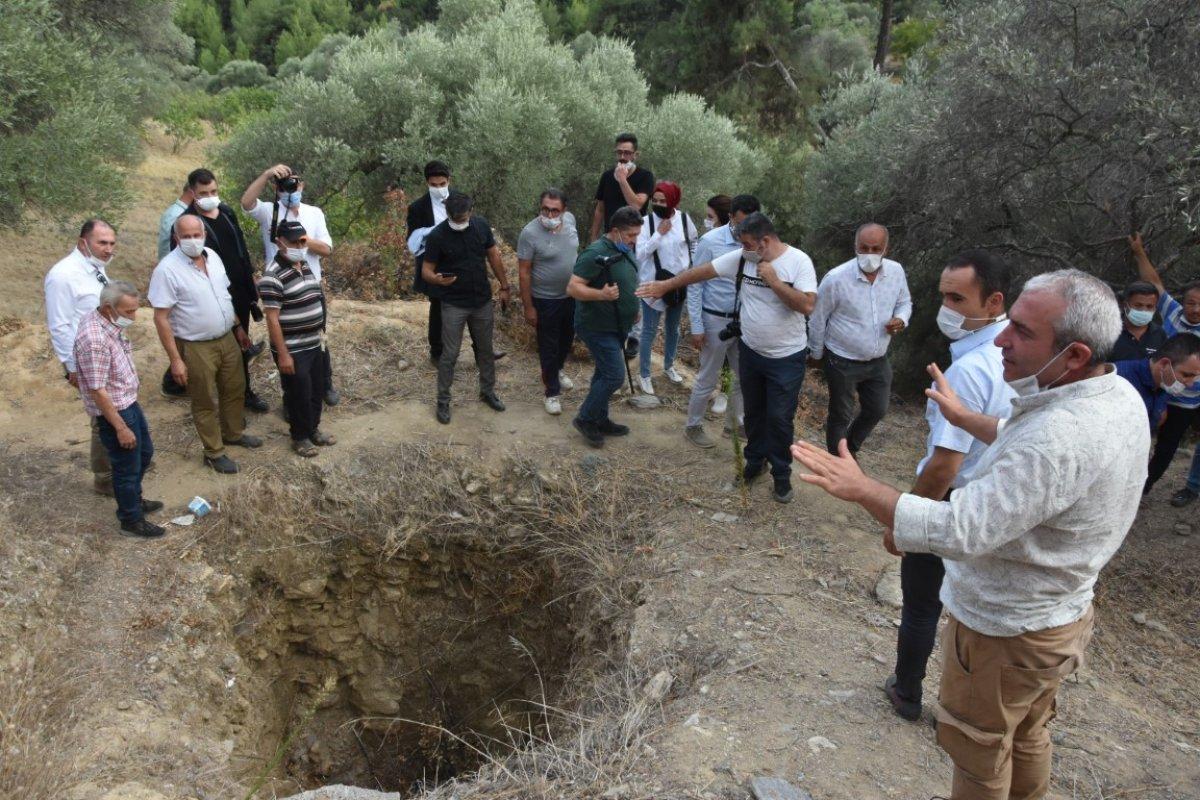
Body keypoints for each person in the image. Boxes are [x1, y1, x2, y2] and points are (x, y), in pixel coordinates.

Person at [791, 269, 1148, 800]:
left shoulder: (1059, 436)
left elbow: (962, 527)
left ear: (1073, 354)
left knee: (978, 753)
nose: (1002, 338)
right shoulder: (1111, 394)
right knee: (1026, 735)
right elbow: (1031, 450)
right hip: (1057, 619)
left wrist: (862, 489)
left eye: (1024, 332)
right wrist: (970, 418)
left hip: (1006, 634)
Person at [883, 249, 1015, 723]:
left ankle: (907, 691)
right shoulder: (1018, 355)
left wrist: (907, 519)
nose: (946, 307)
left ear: (994, 300)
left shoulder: (970, 370)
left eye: (957, 297)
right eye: (942, 296)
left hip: (955, 498)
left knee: (921, 604)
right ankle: (976, 709)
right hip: (999, 500)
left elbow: (944, 466)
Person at [637, 212, 818, 503]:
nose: (742, 249)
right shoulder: (744, 259)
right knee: (755, 413)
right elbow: (702, 271)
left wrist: (774, 281)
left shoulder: (798, 262)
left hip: (786, 358)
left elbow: (807, 305)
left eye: (747, 243)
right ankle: (755, 462)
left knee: (780, 418)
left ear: (765, 241)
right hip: (751, 351)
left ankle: (782, 475)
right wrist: (665, 286)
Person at [149, 215, 262, 474]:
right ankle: (213, 452)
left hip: (226, 338)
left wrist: (237, 327)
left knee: (235, 387)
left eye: (196, 235)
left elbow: (223, 295)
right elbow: (161, 317)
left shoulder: (213, 256)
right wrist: (176, 359)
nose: (192, 240)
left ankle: (233, 433)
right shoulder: (167, 270)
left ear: (204, 234)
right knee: (204, 400)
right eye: (185, 236)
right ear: (176, 238)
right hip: (195, 346)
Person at [166, 168, 268, 412]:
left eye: (213, 190)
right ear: (192, 193)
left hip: (240, 291)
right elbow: (183, 265)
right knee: (222, 350)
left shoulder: (226, 212)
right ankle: (221, 397)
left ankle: (244, 393)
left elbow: (239, 247)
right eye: (203, 192)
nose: (210, 196)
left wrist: (250, 277)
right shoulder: (186, 226)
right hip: (211, 298)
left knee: (241, 345)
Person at [240, 164, 341, 407]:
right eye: (284, 185)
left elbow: (327, 249)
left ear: (302, 185)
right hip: (280, 289)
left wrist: (304, 241)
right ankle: (292, 398)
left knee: (319, 337)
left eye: (294, 183)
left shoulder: (314, 213)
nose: (290, 189)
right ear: (276, 188)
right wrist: (266, 174)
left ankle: (324, 385)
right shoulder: (269, 211)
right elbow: (246, 203)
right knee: (283, 342)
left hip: (311, 285)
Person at [808, 223, 912, 456]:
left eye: (876, 249)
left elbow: (905, 302)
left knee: (877, 409)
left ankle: (850, 448)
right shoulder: (836, 278)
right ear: (855, 246)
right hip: (842, 360)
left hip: (878, 359)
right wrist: (815, 354)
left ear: (886, 249)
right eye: (864, 248)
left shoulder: (896, 272)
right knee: (841, 414)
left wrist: (901, 318)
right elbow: (817, 317)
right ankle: (839, 461)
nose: (869, 254)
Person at [73, 281, 165, 538]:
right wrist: (121, 427)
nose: (134, 317)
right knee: (127, 467)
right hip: (116, 411)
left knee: (144, 453)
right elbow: (97, 389)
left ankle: (134, 501)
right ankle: (130, 520)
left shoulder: (106, 322)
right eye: (129, 312)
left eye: (135, 310)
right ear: (107, 307)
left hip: (127, 401)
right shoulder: (94, 339)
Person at [421, 192, 510, 424]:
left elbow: (493, 256)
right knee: (449, 355)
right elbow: (426, 271)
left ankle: (487, 391)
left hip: (481, 300)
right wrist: (438, 280)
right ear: (448, 213)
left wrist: (504, 285)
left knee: (485, 349)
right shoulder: (438, 236)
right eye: (456, 218)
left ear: (471, 211)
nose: (460, 222)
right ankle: (443, 401)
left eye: (463, 218)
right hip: (453, 304)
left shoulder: (480, 226)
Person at [44, 219, 118, 496]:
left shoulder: (96, 270)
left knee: (116, 411)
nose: (108, 249)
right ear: (83, 242)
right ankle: (105, 478)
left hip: (108, 353)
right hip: (88, 362)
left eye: (111, 243)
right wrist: (72, 368)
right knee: (103, 418)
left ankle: (119, 468)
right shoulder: (63, 275)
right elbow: (60, 325)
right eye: (102, 243)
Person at [1128, 232, 1200, 505]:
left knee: (1167, 448)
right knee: (1140, 438)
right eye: (1191, 302)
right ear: (1183, 301)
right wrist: (1139, 252)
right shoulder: (1173, 313)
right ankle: (1125, 484)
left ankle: (1143, 489)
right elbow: (1154, 282)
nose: (1195, 309)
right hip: (1159, 391)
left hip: (1187, 403)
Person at [682, 194, 758, 448]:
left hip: (745, 322)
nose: (742, 230)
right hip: (714, 319)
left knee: (744, 377)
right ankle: (693, 425)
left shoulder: (758, 243)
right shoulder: (710, 241)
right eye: (738, 223)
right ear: (731, 217)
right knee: (708, 376)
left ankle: (734, 424)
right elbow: (694, 284)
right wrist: (697, 325)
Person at [258, 220, 336, 457]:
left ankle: (313, 429)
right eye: (293, 242)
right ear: (279, 242)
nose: (299, 246)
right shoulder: (272, 276)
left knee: (316, 390)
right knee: (299, 393)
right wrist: (283, 354)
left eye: (302, 241)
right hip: (293, 347)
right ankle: (300, 437)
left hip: (314, 342)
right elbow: (272, 319)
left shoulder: (303, 264)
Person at [567, 206, 643, 447]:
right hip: (596, 325)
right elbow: (573, 287)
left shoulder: (624, 248)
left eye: (637, 235)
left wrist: (634, 307)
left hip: (617, 324)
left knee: (603, 372)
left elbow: (628, 278)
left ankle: (599, 418)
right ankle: (586, 418)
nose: (634, 240)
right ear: (615, 231)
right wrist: (601, 294)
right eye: (631, 235)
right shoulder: (594, 253)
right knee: (614, 375)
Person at [591, 133, 655, 357]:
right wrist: (593, 237)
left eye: (627, 153)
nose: (622, 156)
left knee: (633, 283)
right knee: (609, 281)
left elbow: (637, 205)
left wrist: (623, 180)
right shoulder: (607, 176)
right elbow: (600, 208)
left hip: (635, 239)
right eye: (619, 152)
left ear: (635, 154)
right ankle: (613, 328)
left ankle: (634, 336)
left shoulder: (645, 176)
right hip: (610, 239)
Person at [517, 189, 579, 415]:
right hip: (544, 299)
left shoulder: (571, 222)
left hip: (571, 295)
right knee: (548, 346)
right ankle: (551, 392)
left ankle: (558, 370)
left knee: (566, 339)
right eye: (545, 209)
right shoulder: (529, 233)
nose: (549, 214)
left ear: (564, 211)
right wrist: (528, 306)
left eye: (555, 210)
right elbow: (524, 272)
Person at [635, 180, 696, 395]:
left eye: (663, 201)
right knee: (649, 331)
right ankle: (644, 375)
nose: (659, 204)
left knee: (674, 328)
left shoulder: (685, 220)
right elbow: (640, 254)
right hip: (652, 284)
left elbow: (693, 245)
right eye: (655, 200)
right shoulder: (645, 222)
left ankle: (669, 366)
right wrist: (658, 234)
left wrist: (691, 270)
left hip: (678, 284)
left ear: (673, 201)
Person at [408, 160, 453, 363]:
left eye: (442, 184)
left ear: (448, 181)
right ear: (427, 183)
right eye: (434, 185)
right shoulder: (418, 208)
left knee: (471, 304)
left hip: (460, 260)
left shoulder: (460, 200)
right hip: (433, 262)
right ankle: (437, 352)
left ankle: (481, 350)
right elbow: (413, 240)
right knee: (438, 307)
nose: (438, 188)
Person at [1114, 333, 1200, 432]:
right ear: (1164, 364)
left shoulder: (1164, 383)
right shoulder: (1118, 379)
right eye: (1186, 375)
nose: (1190, 384)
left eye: (1196, 377)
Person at [1109, 281, 1167, 361]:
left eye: (1149, 306)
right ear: (1125, 305)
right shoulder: (1109, 331)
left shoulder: (1160, 334)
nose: (1144, 310)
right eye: (1138, 305)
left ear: (1155, 308)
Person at [157, 182, 193, 259]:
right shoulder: (176, 214)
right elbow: (168, 247)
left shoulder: (178, 212)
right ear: (192, 191)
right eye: (203, 193)